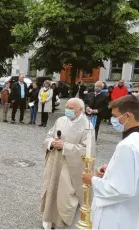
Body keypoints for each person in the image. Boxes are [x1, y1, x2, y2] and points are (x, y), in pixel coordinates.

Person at [82, 95, 139, 229]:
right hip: (136, 209)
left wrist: (92, 180)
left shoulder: (128, 145)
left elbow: (121, 189)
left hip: (118, 216)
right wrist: (111, 168)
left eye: (115, 116)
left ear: (127, 115)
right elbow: (137, 170)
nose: (113, 120)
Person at [41, 98, 95, 229]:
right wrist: (51, 143)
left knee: (65, 194)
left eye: (71, 108)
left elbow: (87, 150)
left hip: (70, 167)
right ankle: (49, 219)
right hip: (55, 163)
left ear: (80, 110)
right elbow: (49, 135)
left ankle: (61, 222)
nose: (67, 110)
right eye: (66, 107)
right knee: (51, 188)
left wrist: (65, 146)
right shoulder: (60, 120)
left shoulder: (87, 127)